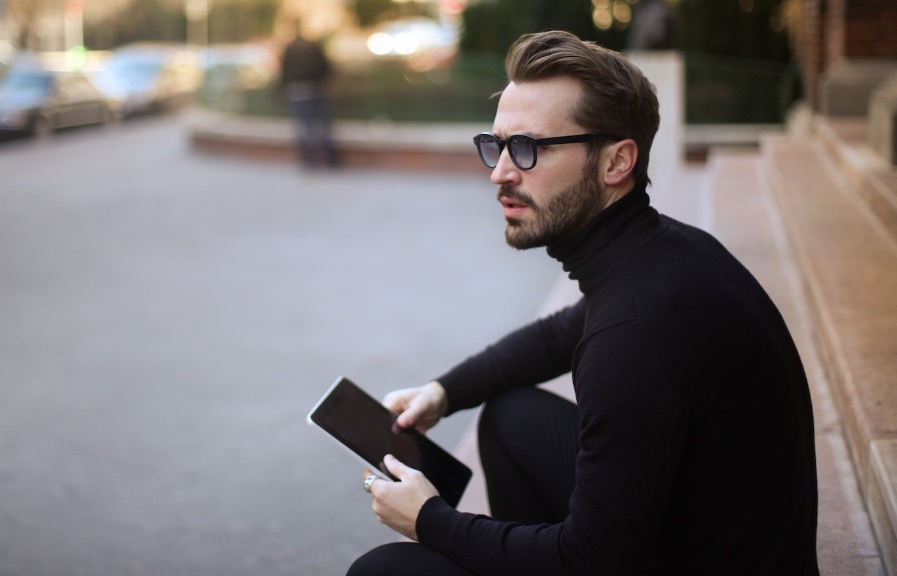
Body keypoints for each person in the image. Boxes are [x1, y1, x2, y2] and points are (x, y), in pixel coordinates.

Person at [348, 30, 819, 576]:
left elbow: (588, 558)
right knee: (511, 417)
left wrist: (428, 519)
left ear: (616, 161)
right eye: (495, 145)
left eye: (526, 148)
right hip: (700, 535)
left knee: (382, 570)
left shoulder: (635, 333)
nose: (500, 172)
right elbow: (559, 334)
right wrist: (443, 393)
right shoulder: (662, 253)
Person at [279, 21, 338, 168]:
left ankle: (307, 159)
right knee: (323, 126)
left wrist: (283, 89)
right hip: (315, 88)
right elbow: (326, 67)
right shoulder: (314, 46)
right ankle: (329, 158)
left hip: (298, 91)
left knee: (303, 127)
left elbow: (285, 72)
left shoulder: (290, 48)